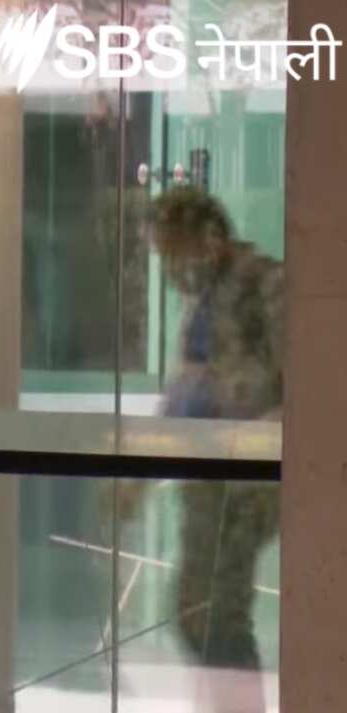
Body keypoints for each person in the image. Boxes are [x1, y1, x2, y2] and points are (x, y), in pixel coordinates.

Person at [129, 186, 283, 712]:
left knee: (219, 614)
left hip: (246, 480)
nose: (170, 271)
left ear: (209, 240)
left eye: (174, 254)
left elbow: (298, 382)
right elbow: (184, 393)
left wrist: (250, 427)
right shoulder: (201, 302)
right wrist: (138, 473)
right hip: (206, 476)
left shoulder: (265, 287)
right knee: (196, 612)